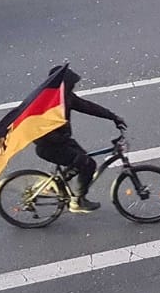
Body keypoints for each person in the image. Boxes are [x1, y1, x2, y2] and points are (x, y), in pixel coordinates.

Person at [33, 62, 126, 213]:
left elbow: (87, 106)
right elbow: (39, 130)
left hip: (62, 141)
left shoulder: (66, 96)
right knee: (86, 163)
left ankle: (52, 185)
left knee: (84, 162)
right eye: (71, 84)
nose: (74, 87)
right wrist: (60, 139)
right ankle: (77, 202)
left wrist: (112, 117)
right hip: (49, 146)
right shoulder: (48, 103)